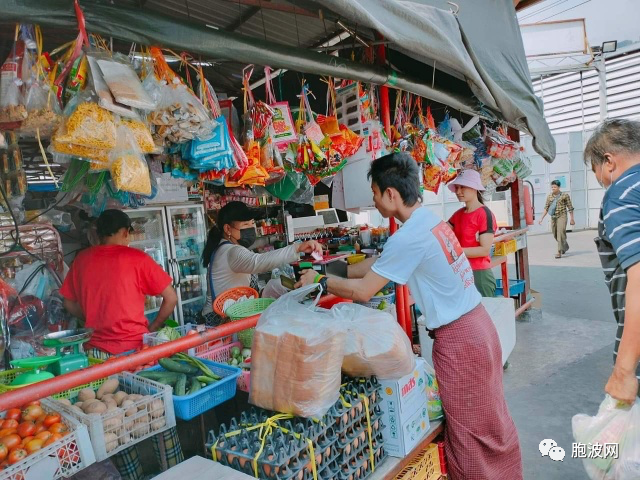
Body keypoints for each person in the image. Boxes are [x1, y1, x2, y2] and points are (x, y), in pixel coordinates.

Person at [296, 152, 522, 479]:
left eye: (374, 194)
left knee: (469, 432)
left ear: (391, 194)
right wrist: (339, 268)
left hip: (460, 342)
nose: (373, 201)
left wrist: (320, 280)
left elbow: (364, 292)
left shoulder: (409, 236)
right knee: (489, 421)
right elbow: (379, 266)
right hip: (478, 328)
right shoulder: (429, 222)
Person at [60, 209, 182, 480]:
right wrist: (152, 329)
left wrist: (89, 320)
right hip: (136, 353)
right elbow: (170, 299)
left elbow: (68, 302)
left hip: (98, 357)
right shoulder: (136, 257)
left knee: (114, 427)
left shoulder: (81, 260)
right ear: (126, 232)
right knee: (156, 416)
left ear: (99, 233)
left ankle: (133, 475)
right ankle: (175, 472)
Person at [583, 118, 640, 404]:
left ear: (609, 161)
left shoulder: (622, 193)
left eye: (596, 172)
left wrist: (625, 370)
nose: (601, 181)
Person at [200, 201, 322, 326]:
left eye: (252, 223)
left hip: (230, 316)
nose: (251, 227)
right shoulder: (231, 251)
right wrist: (297, 248)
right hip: (220, 321)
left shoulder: (227, 248)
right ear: (227, 229)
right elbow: (258, 262)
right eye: (245, 224)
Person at [447, 169, 498, 297]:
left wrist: (456, 251)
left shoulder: (485, 214)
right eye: (457, 187)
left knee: (485, 314)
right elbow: (442, 232)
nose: (458, 192)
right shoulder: (458, 214)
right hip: (460, 272)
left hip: (479, 274)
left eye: (463, 187)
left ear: (475, 188)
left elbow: (484, 250)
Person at [539, 180, 575, 258]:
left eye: (555, 187)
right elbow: (546, 208)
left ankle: (559, 252)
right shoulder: (549, 196)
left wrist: (572, 219)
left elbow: (570, 207)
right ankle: (564, 246)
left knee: (561, 233)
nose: (553, 188)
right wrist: (541, 218)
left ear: (559, 187)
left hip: (562, 216)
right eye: (552, 187)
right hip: (554, 217)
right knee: (555, 234)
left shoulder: (565, 195)